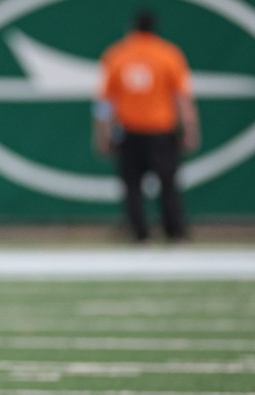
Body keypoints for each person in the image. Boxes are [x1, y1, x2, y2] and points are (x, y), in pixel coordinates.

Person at [93, 8, 201, 243]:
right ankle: (175, 233)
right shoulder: (169, 54)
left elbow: (105, 101)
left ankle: (139, 234)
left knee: (132, 186)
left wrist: (102, 133)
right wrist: (191, 129)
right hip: (161, 131)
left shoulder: (117, 54)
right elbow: (182, 98)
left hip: (130, 131)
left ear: (132, 29)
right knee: (168, 184)